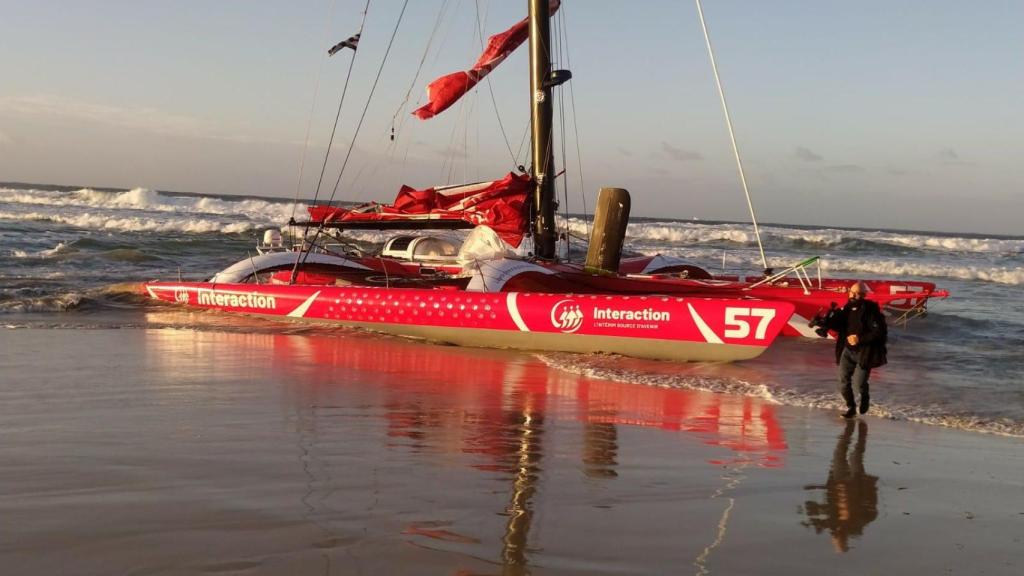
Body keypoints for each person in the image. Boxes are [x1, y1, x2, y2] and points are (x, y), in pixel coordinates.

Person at [820, 281, 888, 418]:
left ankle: (865, 396)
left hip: (864, 352)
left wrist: (859, 338)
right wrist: (823, 322)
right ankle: (851, 407)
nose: (854, 295)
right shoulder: (847, 308)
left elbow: (880, 331)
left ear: (864, 295)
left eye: (859, 294)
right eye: (852, 292)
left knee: (859, 384)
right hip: (847, 350)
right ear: (849, 293)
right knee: (843, 382)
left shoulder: (871, 310)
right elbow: (838, 326)